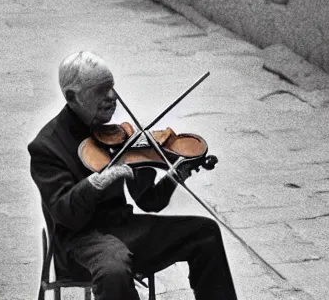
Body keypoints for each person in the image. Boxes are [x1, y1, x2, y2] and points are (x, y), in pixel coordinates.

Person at [28, 51, 238, 300]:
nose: (112, 96)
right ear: (72, 96)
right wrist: (96, 183)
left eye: (112, 87)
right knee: (114, 269)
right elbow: (65, 214)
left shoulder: (118, 136)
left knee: (205, 232)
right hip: (80, 241)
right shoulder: (47, 146)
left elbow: (149, 201)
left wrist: (175, 176)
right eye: (101, 90)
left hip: (125, 229)